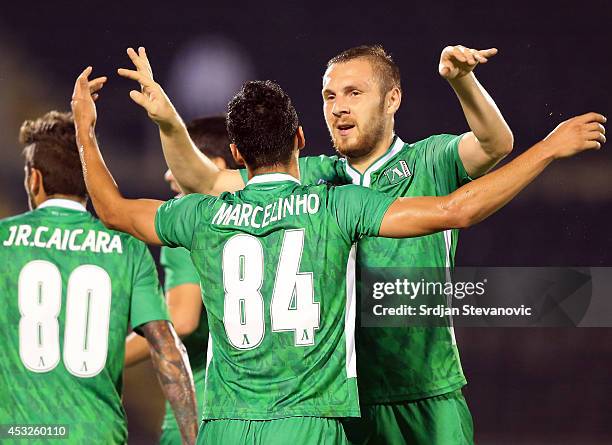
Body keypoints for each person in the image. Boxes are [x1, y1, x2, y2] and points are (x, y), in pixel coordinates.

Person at [71, 64, 603, 445]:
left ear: (392, 99)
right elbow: (206, 179)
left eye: (352, 92)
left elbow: (493, 145)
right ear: (302, 133)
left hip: (423, 391)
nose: (339, 105)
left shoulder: (428, 157)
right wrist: (550, 148)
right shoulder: (324, 185)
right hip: (339, 407)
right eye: (328, 96)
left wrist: (104, 131)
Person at [0, 111, 199, 445]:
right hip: (97, 434)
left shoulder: (3, 241)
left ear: (34, 179)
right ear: (89, 181)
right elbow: (167, 346)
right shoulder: (126, 248)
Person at [123, 115, 240, 445]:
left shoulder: (191, 223)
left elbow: (182, 320)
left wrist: (101, 361)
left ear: (213, 165)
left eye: (176, 159)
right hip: (273, 412)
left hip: (205, 411)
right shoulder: (279, 219)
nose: (167, 173)